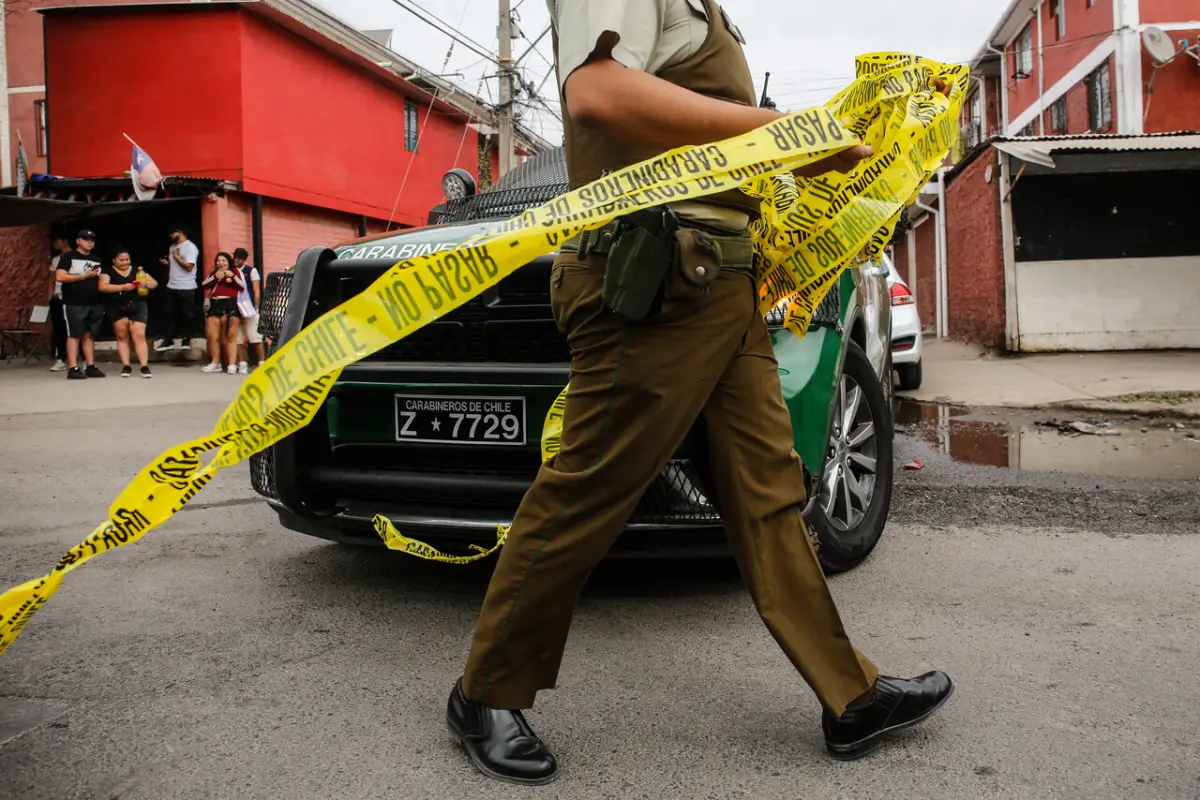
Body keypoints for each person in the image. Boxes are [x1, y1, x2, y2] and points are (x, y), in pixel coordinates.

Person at [444, 0, 954, 785]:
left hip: (720, 273)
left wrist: (793, 154)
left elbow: (703, 135)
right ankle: (485, 692)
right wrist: (778, 127)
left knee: (767, 494)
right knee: (590, 489)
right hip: (657, 273)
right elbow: (597, 94)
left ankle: (850, 696)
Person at [55, 229, 106, 381]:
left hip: (94, 302)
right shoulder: (68, 257)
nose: (90, 242)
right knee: (74, 334)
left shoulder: (96, 259)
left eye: (92, 239)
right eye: (86, 239)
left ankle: (90, 366)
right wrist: (84, 275)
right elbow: (60, 276)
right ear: (78, 241)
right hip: (74, 302)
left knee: (88, 334)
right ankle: (73, 367)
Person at [98, 246, 157, 378]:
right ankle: (126, 365)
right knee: (122, 336)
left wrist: (145, 284)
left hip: (137, 304)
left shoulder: (138, 271)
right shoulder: (107, 272)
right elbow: (103, 287)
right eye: (121, 260)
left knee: (139, 334)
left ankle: (144, 366)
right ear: (114, 260)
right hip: (116, 306)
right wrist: (123, 287)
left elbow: (154, 283)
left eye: (127, 260)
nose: (125, 263)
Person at [156, 224, 200, 352]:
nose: (170, 236)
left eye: (172, 233)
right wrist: (168, 263)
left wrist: (176, 257)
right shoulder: (172, 247)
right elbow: (175, 266)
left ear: (180, 233)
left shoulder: (190, 247)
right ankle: (168, 340)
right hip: (172, 285)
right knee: (169, 314)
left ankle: (187, 339)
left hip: (187, 287)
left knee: (187, 314)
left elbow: (189, 267)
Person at [200, 252, 243, 374]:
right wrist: (215, 277)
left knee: (230, 336)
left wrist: (232, 276)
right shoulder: (214, 273)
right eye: (218, 260)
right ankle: (215, 363)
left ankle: (232, 365)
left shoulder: (235, 271)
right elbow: (204, 285)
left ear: (228, 262)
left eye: (223, 260)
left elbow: (242, 286)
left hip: (230, 304)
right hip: (215, 304)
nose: (221, 263)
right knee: (213, 336)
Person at [232, 247, 263, 374]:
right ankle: (242, 363)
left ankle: (262, 363)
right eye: (235, 257)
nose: (236, 260)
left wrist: (256, 306)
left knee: (255, 337)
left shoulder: (251, 270)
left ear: (244, 259)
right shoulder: (231, 271)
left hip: (249, 307)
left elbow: (256, 289)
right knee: (238, 338)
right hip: (235, 307)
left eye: (239, 258)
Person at [47, 234, 72, 372]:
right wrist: (50, 296)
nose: (54, 243)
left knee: (75, 328)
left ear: (65, 240)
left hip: (71, 297)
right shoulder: (56, 259)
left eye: (57, 239)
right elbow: (52, 279)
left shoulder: (75, 257)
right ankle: (60, 358)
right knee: (59, 329)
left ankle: (84, 359)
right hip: (57, 297)